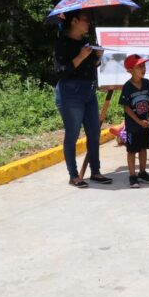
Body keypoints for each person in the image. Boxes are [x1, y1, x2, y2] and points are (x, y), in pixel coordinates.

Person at [53, 10, 112, 188]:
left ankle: (95, 171)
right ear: (74, 21)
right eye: (85, 20)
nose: (88, 23)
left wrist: (97, 58)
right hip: (70, 93)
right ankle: (74, 175)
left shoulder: (87, 43)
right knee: (72, 134)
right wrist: (81, 56)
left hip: (88, 91)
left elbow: (90, 67)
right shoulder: (62, 43)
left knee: (94, 132)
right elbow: (61, 72)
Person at [119, 54, 149, 189]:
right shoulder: (127, 86)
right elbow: (127, 107)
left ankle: (142, 172)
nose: (143, 68)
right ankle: (132, 176)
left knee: (143, 148)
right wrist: (139, 122)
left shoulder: (147, 83)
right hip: (133, 126)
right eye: (139, 66)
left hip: (145, 123)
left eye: (144, 65)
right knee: (132, 150)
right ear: (130, 69)